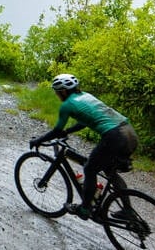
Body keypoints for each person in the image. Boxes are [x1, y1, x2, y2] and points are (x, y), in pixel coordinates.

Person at [29, 73, 138, 220]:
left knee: (89, 168)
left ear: (63, 91)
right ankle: (128, 210)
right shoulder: (86, 96)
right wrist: (68, 131)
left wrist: (38, 141)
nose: (57, 95)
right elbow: (84, 121)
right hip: (129, 132)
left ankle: (85, 209)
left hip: (114, 137)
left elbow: (56, 131)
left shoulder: (67, 105)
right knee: (109, 171)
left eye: (57, 92)